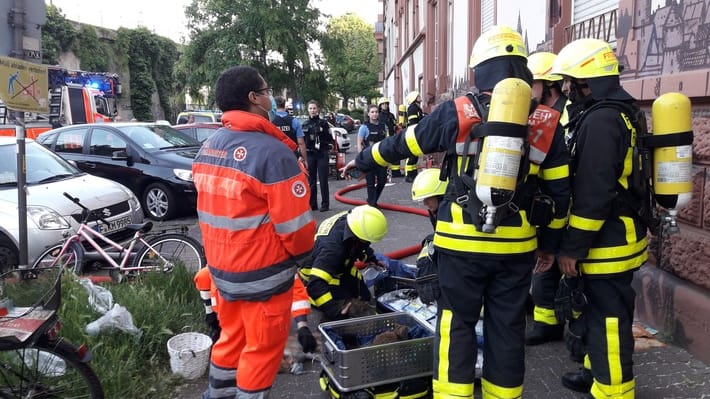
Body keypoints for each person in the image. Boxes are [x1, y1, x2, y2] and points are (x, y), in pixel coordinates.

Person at [341, 25, 570, 398]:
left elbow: (404, 143)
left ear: (480, 70)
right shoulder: (547, 122)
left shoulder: (458, 112)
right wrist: (550, 245)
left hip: (460, 246)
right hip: (516, 250)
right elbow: (560, 195)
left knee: (456, 325)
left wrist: (364, 159)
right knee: (507, 327)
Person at [192, 65, 316, 399]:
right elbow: (296, 229)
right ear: (253, 98)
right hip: (264, 278)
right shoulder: (273, 154)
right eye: (266, 91)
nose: (270, 97)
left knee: (231, 341)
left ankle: (216, 395)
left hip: (223, 274)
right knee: (261, 353)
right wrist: (305, 258)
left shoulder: (210, 146)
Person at [548, 38, 649, 399]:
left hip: (606, 242)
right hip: (613, 236)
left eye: (571, 83)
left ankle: (613, 392)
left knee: (608, 321)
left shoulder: (602, 121)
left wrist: (572, 249)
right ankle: (595, 373)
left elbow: (593, 195)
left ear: (586, 82)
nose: (567, 91)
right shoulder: (616, 111)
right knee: (596, 312)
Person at [525, 51, 572, 346]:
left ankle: (554, 324)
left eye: (532, 83)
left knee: (557, 263)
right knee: (544, 263)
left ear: (548, 85)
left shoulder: (565, 115)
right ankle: (545, 320)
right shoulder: (538, 114)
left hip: (567, 201)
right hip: (546, 202)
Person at [193, 268, 317, 354]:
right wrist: (211, 316)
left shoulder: (273, 258)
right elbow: (203, 277)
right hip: (233, 320)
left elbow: (295, 289)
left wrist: (302, 326)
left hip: (263, 319)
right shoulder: (220, 264)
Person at [298, 205, 387, 322]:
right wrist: (334, 311)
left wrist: (371, 258)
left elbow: (361, 245)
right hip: (314, 277)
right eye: (366, 241)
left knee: (364, 295)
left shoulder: (353, 219)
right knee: (352, 309)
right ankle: (318, 303)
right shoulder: (333, 250)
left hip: (337, 266)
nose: (368, 243)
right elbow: (316, 285)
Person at [410, 168, 447, 305]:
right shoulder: (437, 211)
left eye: (427, 199)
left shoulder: (452, 213)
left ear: (440, 195)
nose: (425, 203)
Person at [302, 100, 334, 212]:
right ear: (308, 110)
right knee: (311, 181)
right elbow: (302, 142)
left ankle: (325, 204)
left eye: (314, 108)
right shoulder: (305, 124)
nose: (312, 110)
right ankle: (313, 204)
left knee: (323, 179)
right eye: (310, 108)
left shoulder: (324, 123)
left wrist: (322, 131)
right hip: (310, 154)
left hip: (321, 153)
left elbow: (330, 138)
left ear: (318, 109)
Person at [357, 104, 389, 207]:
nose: (374, 114)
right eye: (372, 112)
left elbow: (387, 141)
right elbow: (359, 143)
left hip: (381, 158)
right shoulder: (364, 127)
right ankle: (372, 203)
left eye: (376, 112)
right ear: (368, 114)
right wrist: (361, 158)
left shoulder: (383, 126)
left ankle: (372, 199)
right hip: (369, 158)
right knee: (370, 183)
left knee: (382, 181)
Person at [272, 95, 308, 168]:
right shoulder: (294, 121)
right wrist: (305, 160)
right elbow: (301, 143)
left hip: (275, 157)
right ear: (284, 105)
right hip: (292, 156)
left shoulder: (270, 121)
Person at [378, 97, 403, 177]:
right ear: (380, 106)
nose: (385, 105)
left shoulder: (391, 115)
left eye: (386, 104)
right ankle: (383, 174)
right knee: (385, 156)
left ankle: (396, 173)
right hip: (383, 139)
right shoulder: (379, 116)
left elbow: (394, 124)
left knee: (395, 155)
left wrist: (398, 127)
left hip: (393, 137)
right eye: (383, 104)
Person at [404, 91, 424, 182]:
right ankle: (408, 175)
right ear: (414, 98)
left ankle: (413, 174)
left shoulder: (417, 108)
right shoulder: (412, 108)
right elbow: (413, 122)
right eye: (418, 96)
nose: (420, 97)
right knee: (411, 155)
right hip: (412, 134)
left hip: (416, 133)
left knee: (415, 156)